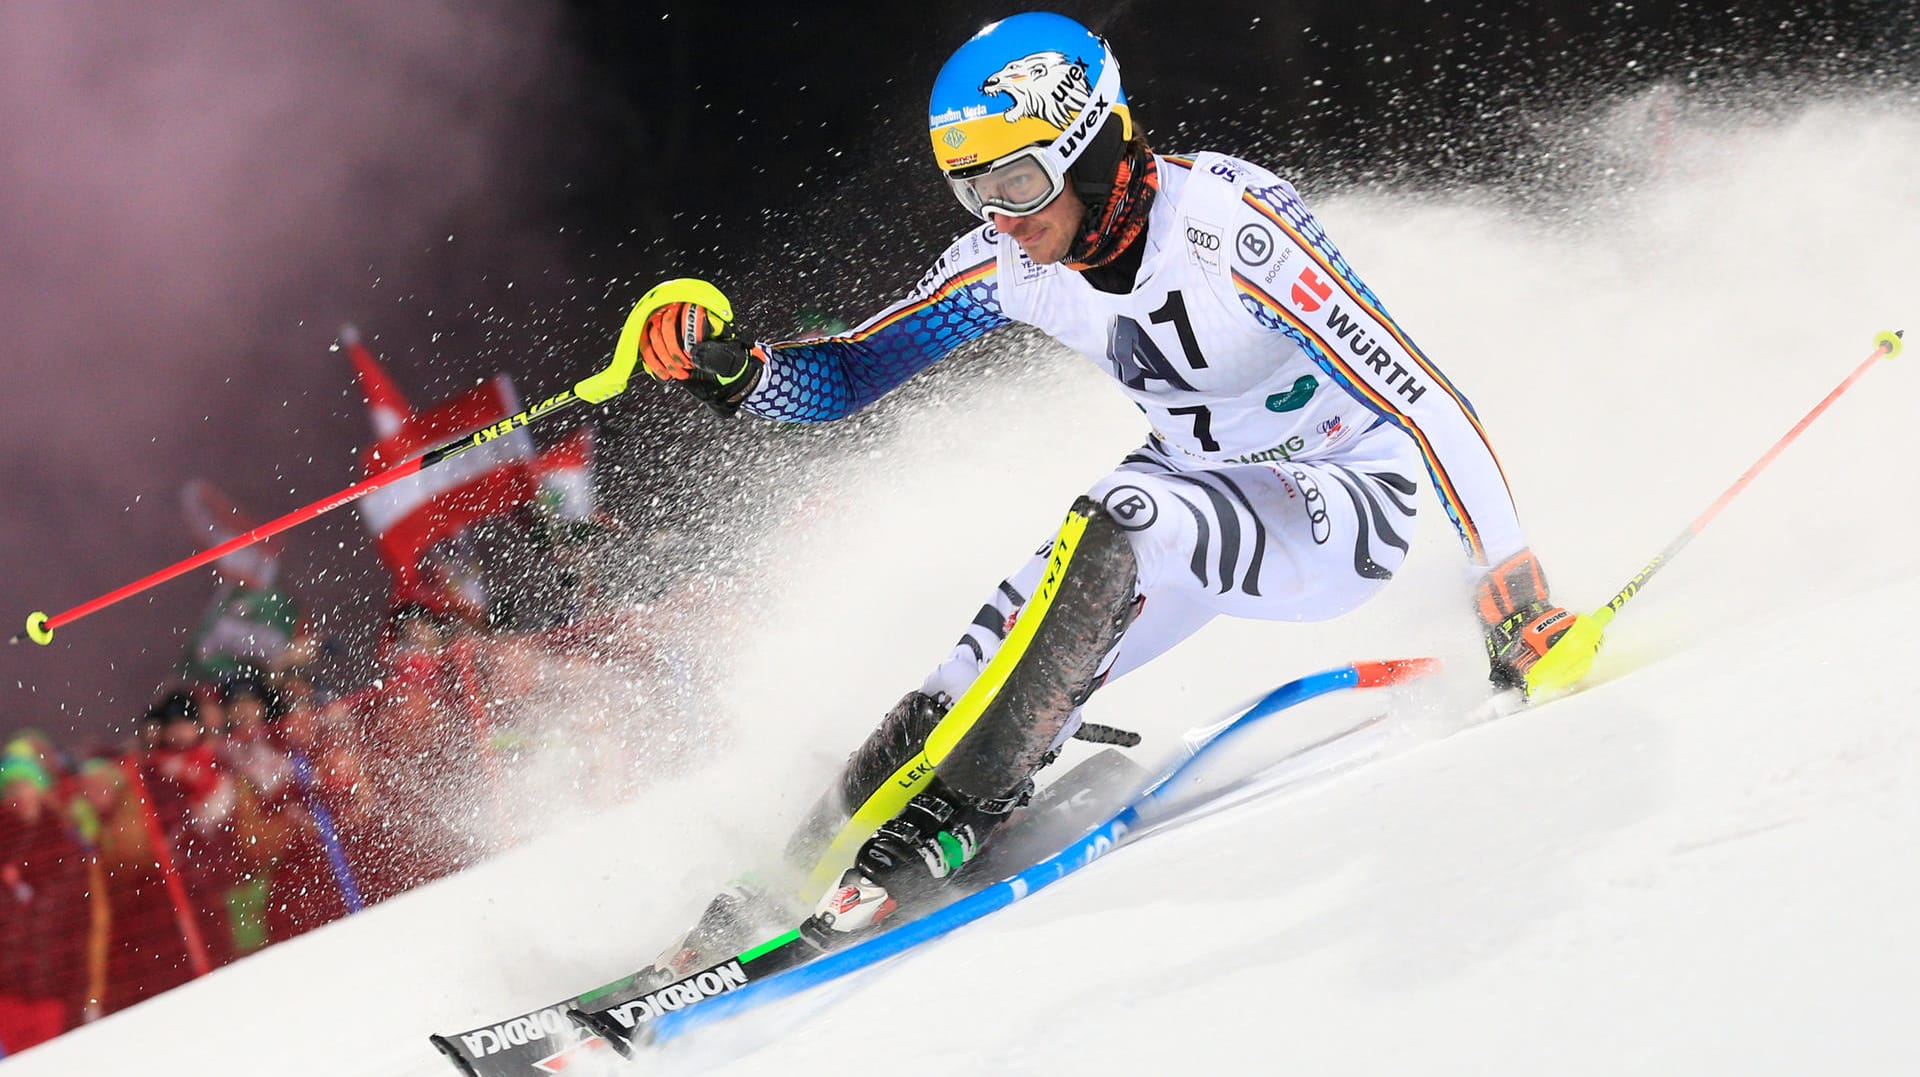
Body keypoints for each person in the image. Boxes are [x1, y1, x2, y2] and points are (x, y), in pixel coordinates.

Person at [630, 12, 1597, 948]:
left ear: (1095, 150)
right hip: (1190, 484)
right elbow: (846, 374)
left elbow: (1421, 392)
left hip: (1337, 498)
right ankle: (796, 874)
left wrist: (1512, 587)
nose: (1000, 218)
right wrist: (738, 370)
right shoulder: (1012, 262)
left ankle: (970, 809)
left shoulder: (1235, 232)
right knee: (978, 658)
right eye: (974, 191)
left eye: (1015, 180)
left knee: (1123, 514)